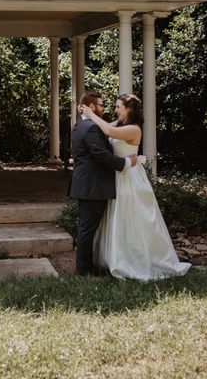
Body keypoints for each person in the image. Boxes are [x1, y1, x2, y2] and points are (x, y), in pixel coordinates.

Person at [81, 94, 190, 282]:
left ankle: (133, 260)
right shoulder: (121, 124)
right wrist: (85, 117)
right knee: (116, 218)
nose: (115, 110)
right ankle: (112, 258)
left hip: (129, 179)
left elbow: (106, 129)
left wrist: (90, 112)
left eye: (118, 107)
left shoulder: (133, 129)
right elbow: (103, 127)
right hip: (116, 176)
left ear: (129, 109)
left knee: (130, 218)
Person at [69, 91, 137, 277]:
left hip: (86, 183)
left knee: (87, 227)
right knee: (87, 229)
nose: (104, 108)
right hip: (93, 185)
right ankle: (83, 270)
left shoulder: (80, 125)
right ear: (92, 107)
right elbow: (101, 155)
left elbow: (108, 128)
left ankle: (88, 265)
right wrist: (125, 163)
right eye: (101, 105)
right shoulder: (90, 128)